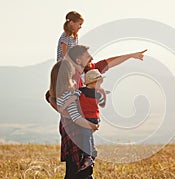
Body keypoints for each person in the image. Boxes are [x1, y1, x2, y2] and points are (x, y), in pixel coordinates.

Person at [46, 45, 147, 178]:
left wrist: (131, 55)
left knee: (82, 166)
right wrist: (65, 113)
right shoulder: (69, 76)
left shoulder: (92, 70)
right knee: (76, 166)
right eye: (87, 57)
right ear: (78, 59)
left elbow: (110, 62)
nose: (92, 58)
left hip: (84, 124)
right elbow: (50, 95)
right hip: (73, 126)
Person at [60, 69, 106, 173]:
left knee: (86, 137)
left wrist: (64, 106)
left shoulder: (80, 91)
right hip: (95, 119)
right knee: (88, 136)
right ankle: (92, 151)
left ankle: (88, 157)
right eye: (99, 83)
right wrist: (103, 95)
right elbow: (103, 104)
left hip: (86, 118)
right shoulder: (97, 94)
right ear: (94, 82)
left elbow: (72, 99)